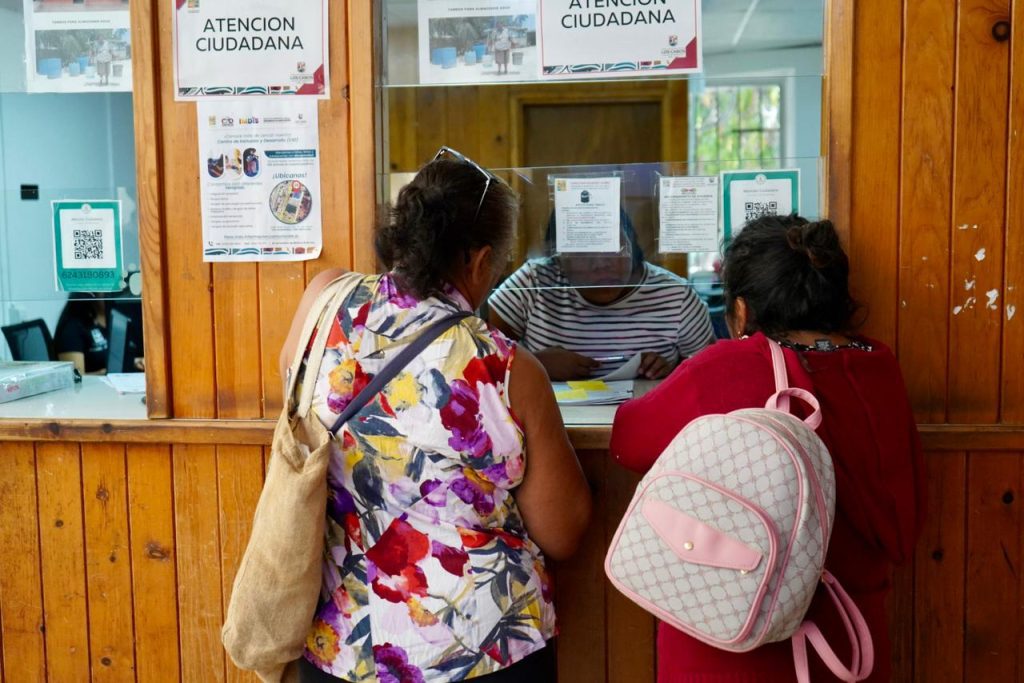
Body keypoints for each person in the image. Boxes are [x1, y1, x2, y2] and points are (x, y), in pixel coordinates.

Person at [279, 147, 592, 683]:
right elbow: (563, 532)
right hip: (482, 649)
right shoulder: (505, 368)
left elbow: (294, 394)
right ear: (479, 260)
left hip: (345, 641)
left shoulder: (325, 299)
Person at [609, 214, 926, 682]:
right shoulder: (880, 367)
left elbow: (629, 442)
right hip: (846, 643)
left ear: (741, 310)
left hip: (734, 643)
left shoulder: (726, 366)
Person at [488, 210, 715, 381]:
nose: (601, 264)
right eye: (584, 252)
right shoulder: (535, 281)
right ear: (558, 258)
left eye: (613, 248)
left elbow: (711, 372)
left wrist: (673, 372)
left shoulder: (676, 295)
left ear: (632, 246)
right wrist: (535, 363)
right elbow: (480, 356)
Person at [55, 293, 109, 374]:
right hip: (94, 382)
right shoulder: (72, 326)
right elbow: (76, 376)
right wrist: (106, 374)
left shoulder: (112, 318)